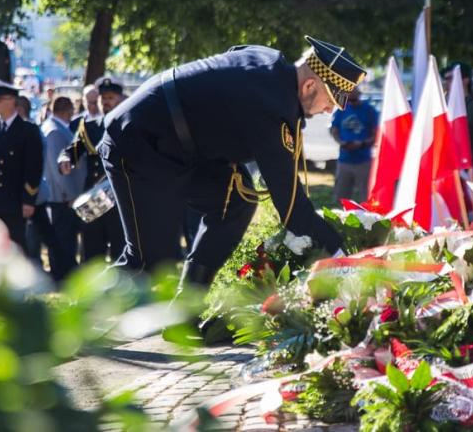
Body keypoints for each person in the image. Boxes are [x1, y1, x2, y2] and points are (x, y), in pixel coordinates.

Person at [99, 36, 365, 286]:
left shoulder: (268, 60)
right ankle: (71, 320)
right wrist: (341, 252)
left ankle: (188, 307)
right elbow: (291, 207)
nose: (330, 110)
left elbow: (227, 80)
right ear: (309, 85)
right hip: (139, 139)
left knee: (236, 201)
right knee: (147, 262)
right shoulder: (272, 108)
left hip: (176, 146)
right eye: (331, 101)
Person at [59, 77, 127, 261]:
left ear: (121, 99)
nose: (105, 101)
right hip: (95, 195)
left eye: (111, 97)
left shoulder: (130, 125)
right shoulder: (89, 126)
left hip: (121, 196)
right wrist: (65, 158)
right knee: (91, 247)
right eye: (102, 97)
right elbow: (74, 148)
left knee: (122, 245)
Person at [0, 79, 43, 250]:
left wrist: (29, 200)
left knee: (15, 247)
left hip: (14, 201)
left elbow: (33, 167)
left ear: (12, 101)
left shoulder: (28, 130)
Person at [38, 96, 85, 282]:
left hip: (60, 195)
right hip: (61, 196)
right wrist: (70, 194)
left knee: (64, 237)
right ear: (69, 111)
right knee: (64, 239)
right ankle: (63, 275)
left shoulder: (53, 127)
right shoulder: (55, 131)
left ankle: (63, 272)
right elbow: (58, 167)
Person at [330, 89, 378, 202]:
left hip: (363, 160)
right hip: (344, 159)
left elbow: (376, 133)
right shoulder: (342, 110)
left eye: (352, 92)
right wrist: (342, 143)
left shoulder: (369, 110)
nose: (349, 95)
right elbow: (334, 130)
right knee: (341, 197)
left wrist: (362, 143)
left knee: (366, 196)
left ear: (359, 93)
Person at [442, 62, 473, 169]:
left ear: (465, 80)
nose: (446, 82)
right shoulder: (443, 109)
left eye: (451, 78)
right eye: (446, 79)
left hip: (468, 171)